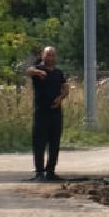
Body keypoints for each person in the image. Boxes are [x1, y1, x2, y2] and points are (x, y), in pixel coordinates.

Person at [26, 46, 68, 181]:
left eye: (52, 55)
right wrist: (38, 72)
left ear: (55, 57)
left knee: (54, 143)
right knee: (39, 143)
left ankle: (51, 171)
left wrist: (60, 98)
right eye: (47, 55)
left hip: (55, 112)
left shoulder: (58, 72)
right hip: (41, 112)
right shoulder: (38, 70)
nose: (49, 57)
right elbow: (29, 70)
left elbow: (65, 88)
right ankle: (39, 172)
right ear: (42, 55)